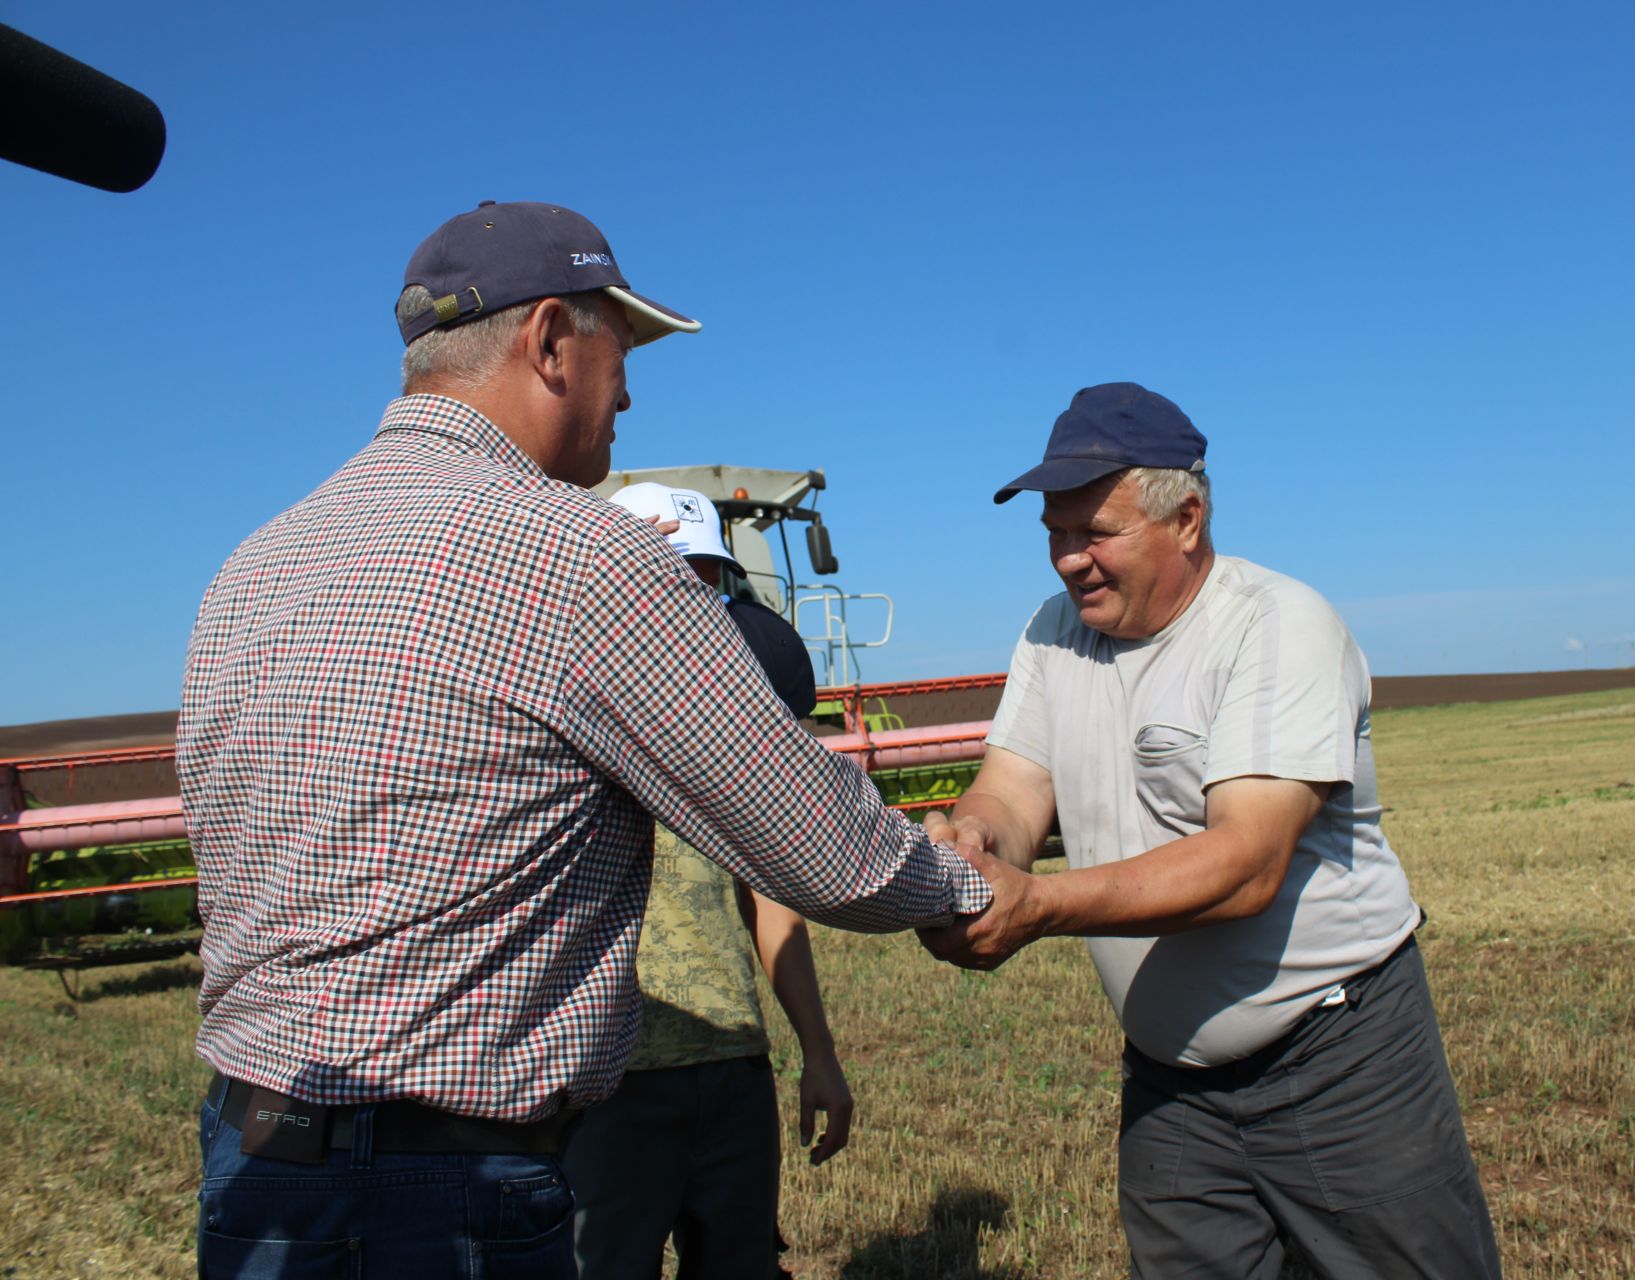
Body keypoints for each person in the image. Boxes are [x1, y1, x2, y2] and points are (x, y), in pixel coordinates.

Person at [177, 201, 988, 1280]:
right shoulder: (581, 555)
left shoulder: (251, 566)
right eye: (622, 349)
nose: (631, 391)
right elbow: (827, 851)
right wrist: (975, 889)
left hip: (252, 1164)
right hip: (444, 1192)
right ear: (553, 339)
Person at [918, 383, 1501, 1279]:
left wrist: (1039, 904)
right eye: (1055, 534)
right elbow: (1014, 791)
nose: (1069, 561)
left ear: (1186, 518)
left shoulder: (1276, 626)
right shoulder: (1052, 634)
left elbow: (1245, 864)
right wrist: (974, 847)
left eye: (1095, 532)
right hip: (1171, 1081)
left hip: (1337, 1059)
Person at [565, 482, 850, 1279]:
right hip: (606, 1079)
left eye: (703, 576)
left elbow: (773, 901)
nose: (689, 596)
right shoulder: (563, 719)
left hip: (731, 1063)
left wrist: (817, 1053)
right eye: (665, 572)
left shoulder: (737, 737)